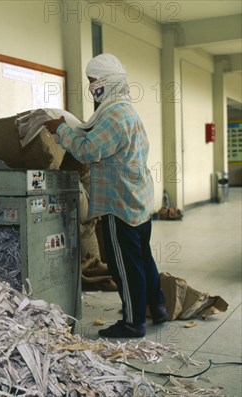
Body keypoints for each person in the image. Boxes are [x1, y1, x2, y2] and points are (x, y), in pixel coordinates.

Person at [43, 54, 169, 338]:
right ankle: (157, 306)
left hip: (119, 201)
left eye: (92, 82)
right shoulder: (124, 109)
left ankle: (134, 321)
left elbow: (89, 151)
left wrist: (61, 130)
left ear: (105, 82)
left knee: (122, 263)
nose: (90, 88)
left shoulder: (113, 115)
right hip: (137, 198)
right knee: (142, 256)